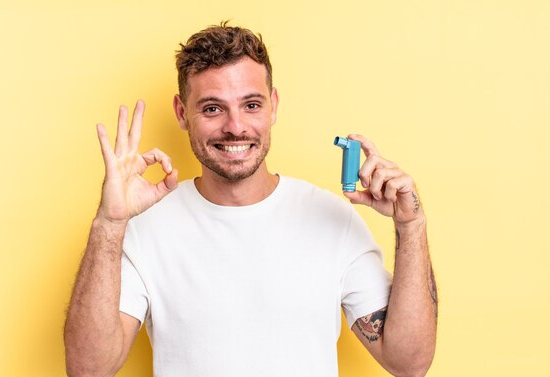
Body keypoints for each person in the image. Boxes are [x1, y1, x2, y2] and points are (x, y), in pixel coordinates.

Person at [64, 23, 437, 377]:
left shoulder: (332, 219)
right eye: (212, 108)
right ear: (182, 113)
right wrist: (110, 224)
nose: (236, 126)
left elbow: (409, 363)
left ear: (273, 105)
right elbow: (89, 370)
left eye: (251, 105)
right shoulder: (145, 228)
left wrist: (411, 225)